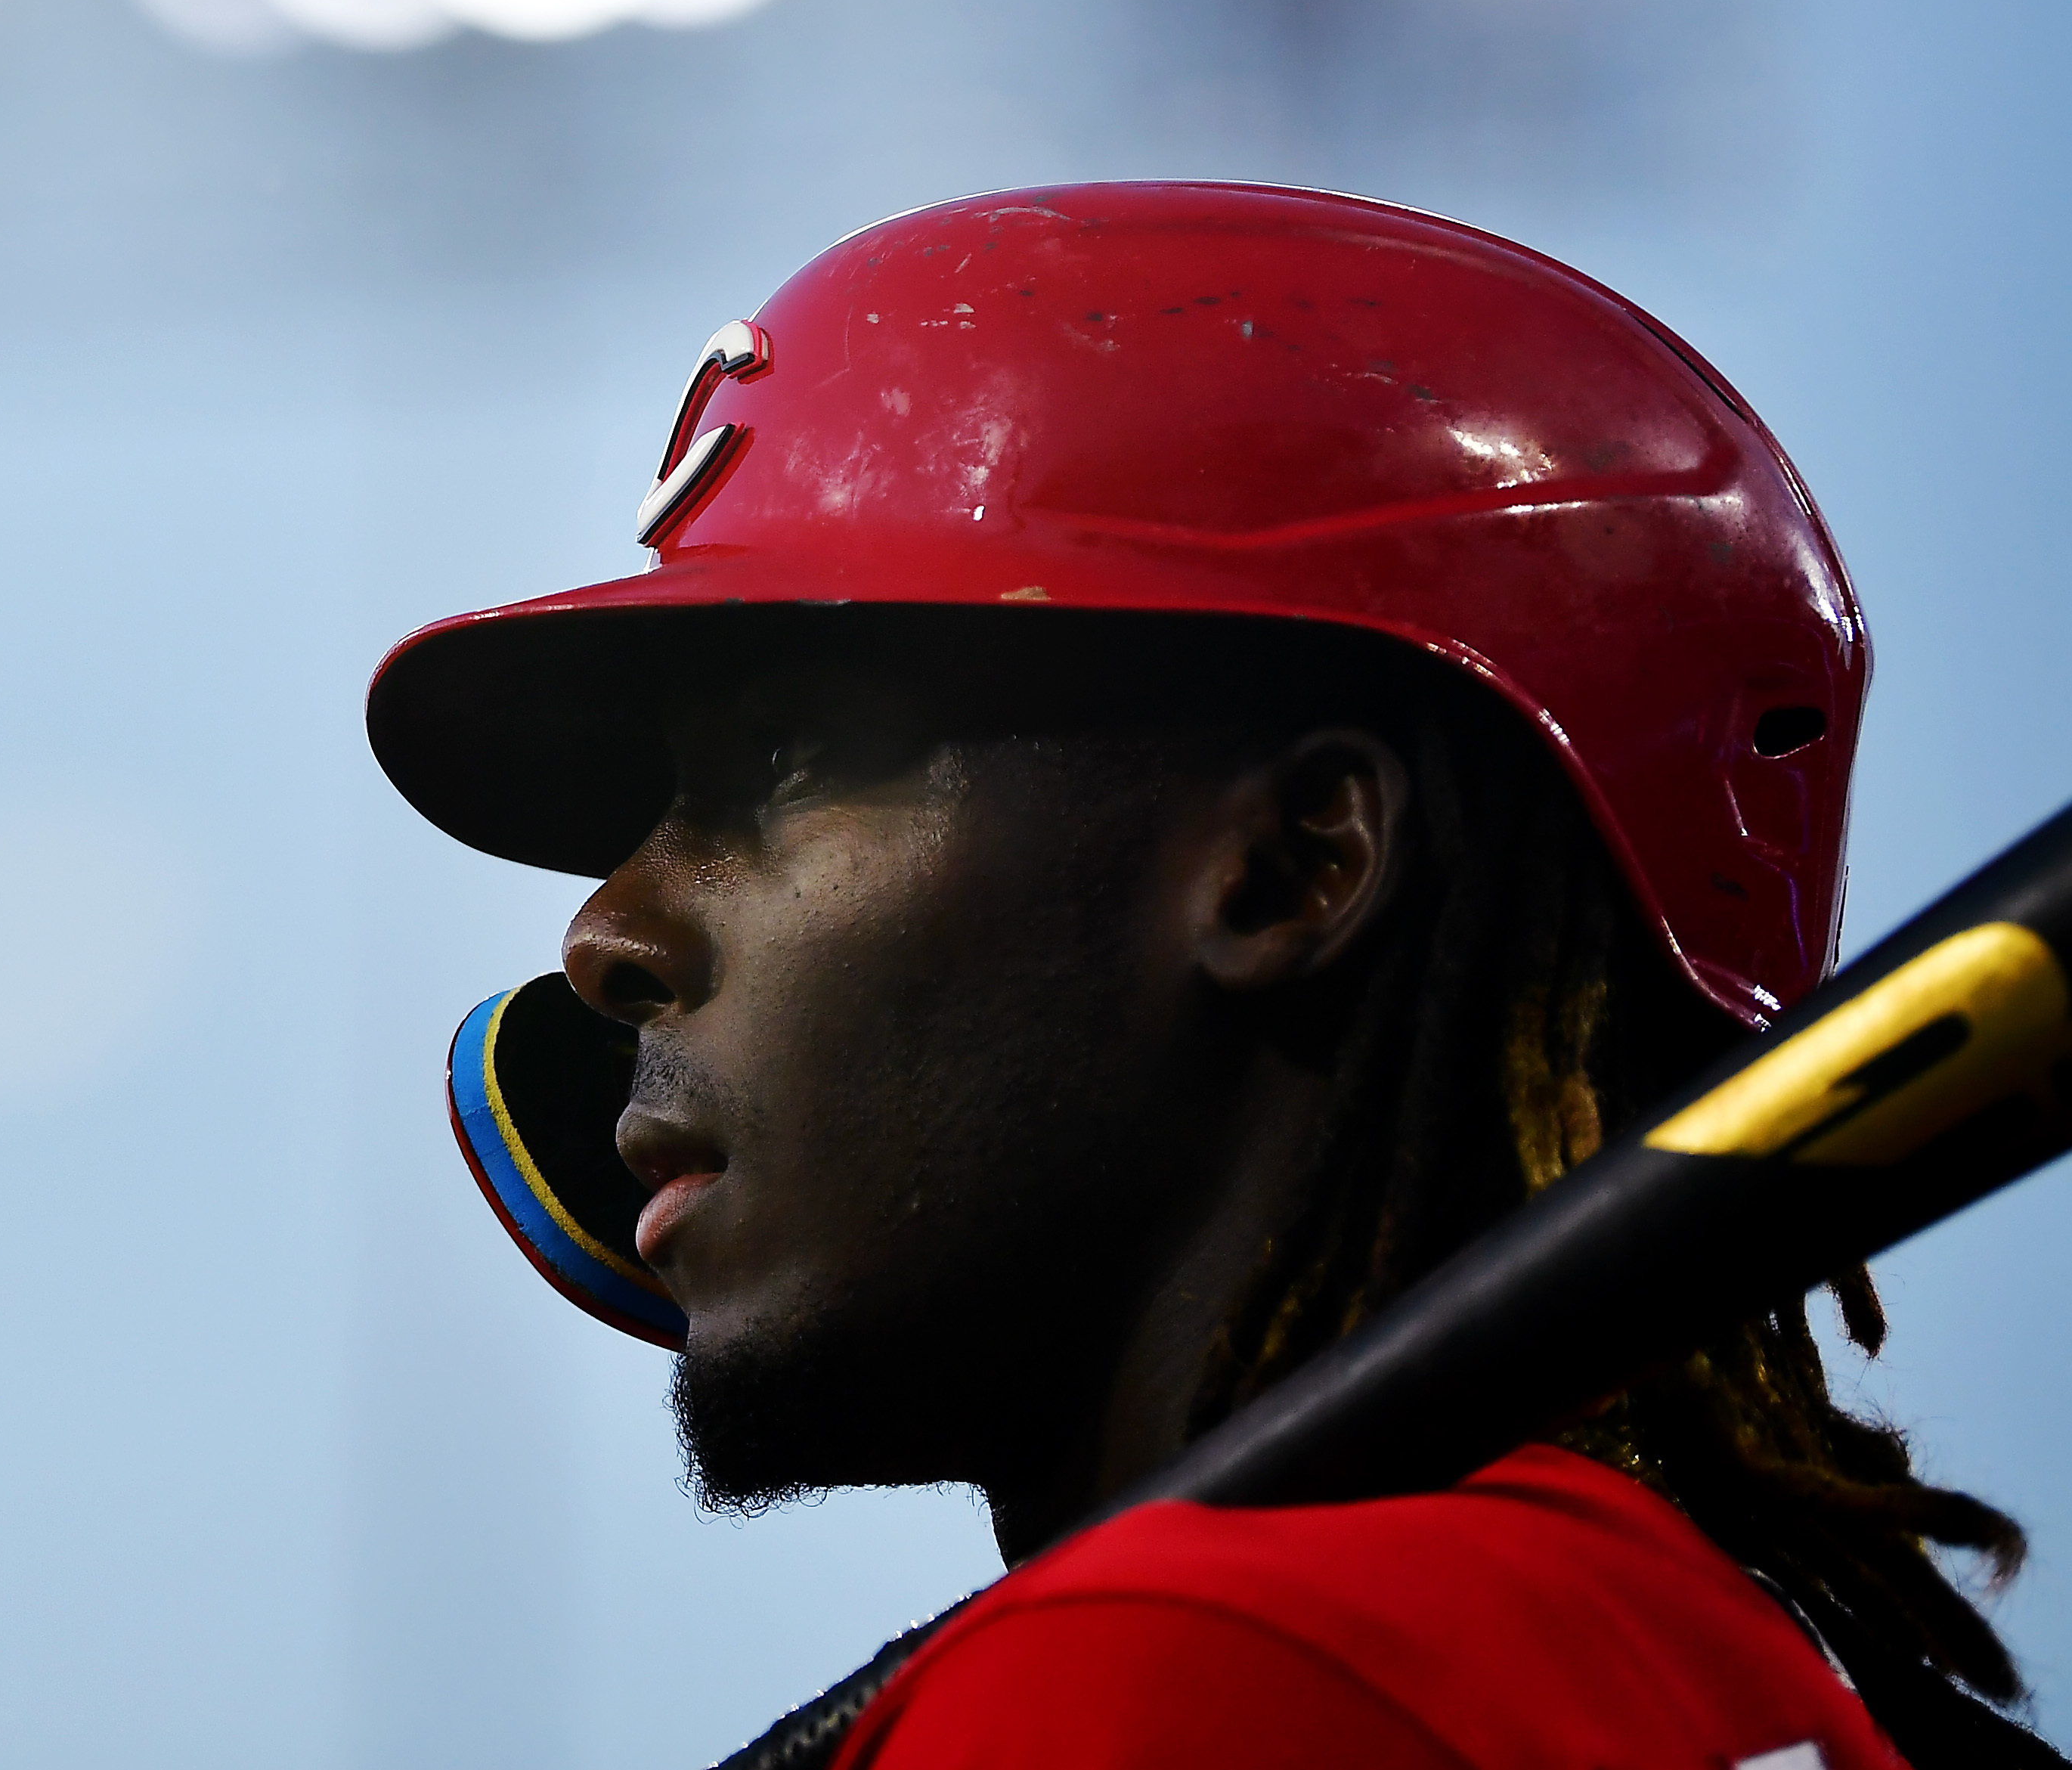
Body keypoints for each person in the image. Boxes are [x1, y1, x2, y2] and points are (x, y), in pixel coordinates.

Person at [367, 183, 2051, 1770]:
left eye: (789, 759)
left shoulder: (1191, 1675)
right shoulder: (1673, 1654)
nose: (607, 934)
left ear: (1297, 863)